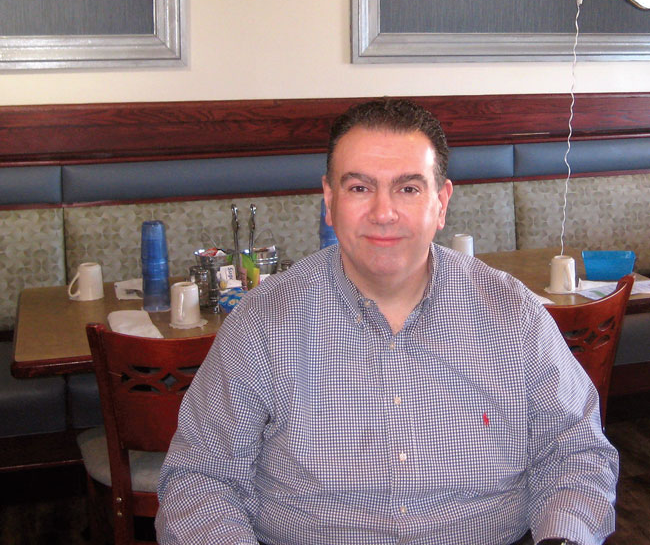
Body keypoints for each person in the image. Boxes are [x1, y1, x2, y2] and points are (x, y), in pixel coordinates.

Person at [156, 97, 618, 545]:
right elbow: (200, 481)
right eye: (359, 188)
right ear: (328, 200)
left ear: (441, 202)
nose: (383, 213)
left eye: (408, 188)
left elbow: (575, 453)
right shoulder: (263, 324)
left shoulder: (512, 313)